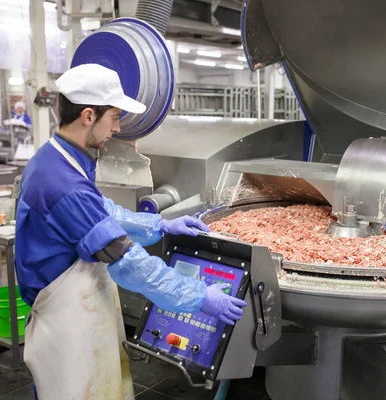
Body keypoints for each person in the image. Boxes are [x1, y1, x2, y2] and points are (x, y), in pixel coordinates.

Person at [15, 63, 247, 400]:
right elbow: (129, 264)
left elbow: (101, 213)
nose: (118, 127)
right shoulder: (63, 184)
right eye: (115, 117)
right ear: (89, 116)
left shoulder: (55, 159)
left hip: (72, 316)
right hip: (68, 330)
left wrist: (159, 225)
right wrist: (199, 296)